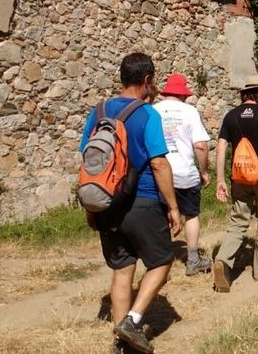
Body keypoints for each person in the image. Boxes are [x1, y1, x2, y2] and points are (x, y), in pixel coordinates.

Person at [80, 53, 182, 354]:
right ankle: (133, 322)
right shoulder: (148, 114)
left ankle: (119, 344)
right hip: (143, 200)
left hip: (106, 202)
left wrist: (91, 207)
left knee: (123, 270)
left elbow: (90, 162)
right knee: (162, 262)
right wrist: (173, 207)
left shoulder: (97, 112)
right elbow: (160, 164)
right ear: (147, 81)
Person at [213, 75, 258, 292]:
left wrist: (221, 180)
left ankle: (223, 261)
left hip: (239, 177)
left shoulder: (230, 116)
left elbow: (222, 147)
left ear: (244, 94)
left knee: (238, 222)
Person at [153, 74, 212, 276]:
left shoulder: (153, 110)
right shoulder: (189, 111)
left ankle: (159, 265)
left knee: (160, 215)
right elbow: (201, 146)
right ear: (182, 94)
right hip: (185, 173)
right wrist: (204, 171)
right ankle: (193, 260)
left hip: (159, 172)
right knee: (191, 214)